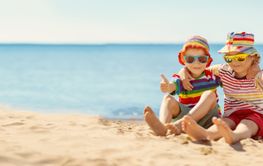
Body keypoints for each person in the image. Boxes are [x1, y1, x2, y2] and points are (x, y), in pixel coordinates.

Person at [180, 32, 263, 144]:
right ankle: (207, 134)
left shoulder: (259, 76)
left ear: (253, 57)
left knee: (248, 123)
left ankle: (235, 136)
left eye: (240, 58)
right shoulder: (223, 71)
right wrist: (183, 71)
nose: (234, 62)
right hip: (232, 114)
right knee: (224, 122)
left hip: (256, 115)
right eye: (229, 58)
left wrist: (257, 69)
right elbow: (198, 68)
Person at [144, 36, 221, 136]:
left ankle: (179, 125)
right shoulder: (181, 78)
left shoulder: (212, 76)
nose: (196, 63)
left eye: (201, 59)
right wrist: (168, 87)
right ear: (183, 60)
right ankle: (163, 127)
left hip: (209, 119)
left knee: (209, 95)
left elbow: (231, 73)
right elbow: (172, 86)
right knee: (167, 98)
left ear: (208, 60)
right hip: (186, 115)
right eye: (190, 59)